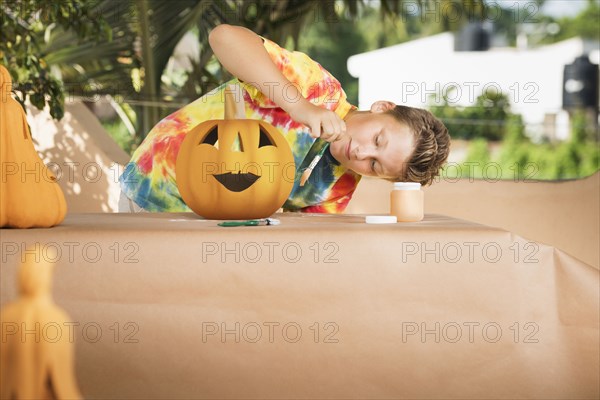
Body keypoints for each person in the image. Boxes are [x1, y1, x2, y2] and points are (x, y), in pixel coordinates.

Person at [118, 24, 450, 213]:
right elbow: (224, 37)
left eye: (376, 166)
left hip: (208, 235)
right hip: (153, 189)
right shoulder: (316, 87)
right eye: (378, 139)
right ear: (382, 107)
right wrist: (299, 106)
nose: (362, 154)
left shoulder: (338, 190)